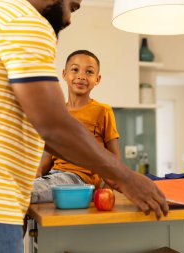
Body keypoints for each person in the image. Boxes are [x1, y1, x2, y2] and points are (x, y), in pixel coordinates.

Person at [0, 0, 168, 252]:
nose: (70, 18)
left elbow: (53, 133)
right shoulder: (26, 21)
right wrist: (125, 177)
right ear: (64, 74)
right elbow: (54, 127)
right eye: (73, 6)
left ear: (97, 79)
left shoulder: (3, 16)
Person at [31, 49, 120, 203]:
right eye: (75, 69)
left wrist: (108, 189)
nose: (81, 76)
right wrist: (35, 173)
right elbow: (48, 157)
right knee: (18, 188)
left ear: (97, 79)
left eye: (89, 72)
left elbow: (114, 157)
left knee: (22, 193)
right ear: (65, 74)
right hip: (54, 176)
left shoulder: (103, 111)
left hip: (81, 180)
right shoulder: (55, 113)